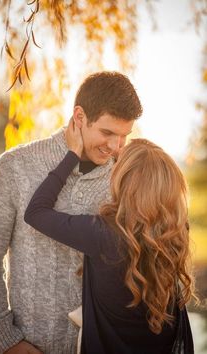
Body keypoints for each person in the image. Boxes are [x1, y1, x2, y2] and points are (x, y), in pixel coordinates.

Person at [0, 71, 142, 354]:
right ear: (79, 117)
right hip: (28, 345)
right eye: (107, 132)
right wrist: (6, 339)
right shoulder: (15, 167)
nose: (115, 147)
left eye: (124, 136)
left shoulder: (123, 181)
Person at [24, 124, 195, 354]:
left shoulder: (102, 234)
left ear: (127, 184)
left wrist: (72, 155)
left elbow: (35, 212)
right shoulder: (174, 236)